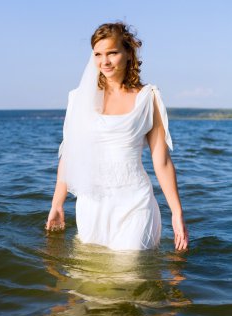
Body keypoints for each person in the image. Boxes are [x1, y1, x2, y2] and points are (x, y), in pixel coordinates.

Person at [46, 22, 188, 252]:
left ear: (128, 53)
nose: (105, 61)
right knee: (91, 281)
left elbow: (161, 162)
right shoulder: (78, 99)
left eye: (112, 52)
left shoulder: (148, 98)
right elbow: (69, 155)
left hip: (135, 201)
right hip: (92, 202)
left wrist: (177, 213)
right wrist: (57, 204)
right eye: (98, 54)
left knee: (129, 270)